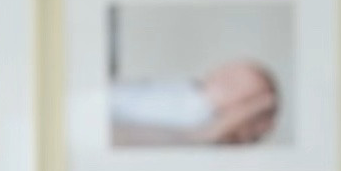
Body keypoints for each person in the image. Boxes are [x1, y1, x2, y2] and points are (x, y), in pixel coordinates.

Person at [110, 58, 280, 147]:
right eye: (227, 72)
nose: (224, 76)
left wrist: (258, 107)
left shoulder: (202, 118)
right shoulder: (186, 89)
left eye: (232, 85)